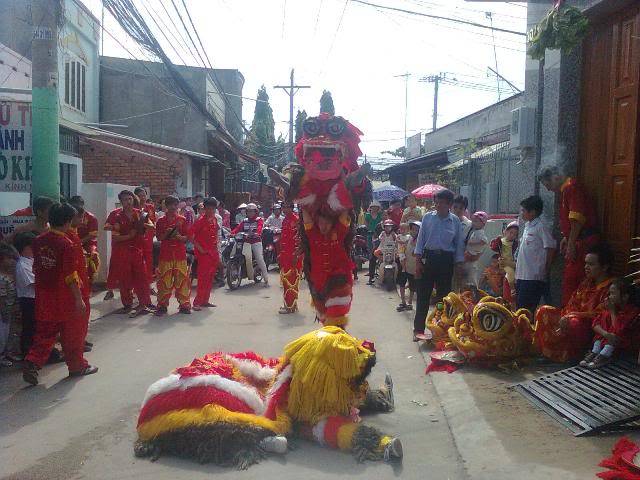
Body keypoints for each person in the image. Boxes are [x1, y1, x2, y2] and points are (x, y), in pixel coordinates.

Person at [22, 203, 98, 385]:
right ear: (67, 221)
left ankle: (33, 361)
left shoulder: (39, 240)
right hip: (65, 296)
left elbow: (38, 267)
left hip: (44, 294)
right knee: (73, 333)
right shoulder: (67, 243)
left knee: (45, 332)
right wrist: (79, 299)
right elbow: (71, 275)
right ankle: (77, 366)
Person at [535, 244, 614, 363]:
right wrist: (565, 316)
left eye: (591, 264)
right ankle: (548, 353)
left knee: (574, 323)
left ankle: (569, 356)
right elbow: (572, 302)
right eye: (586, 263)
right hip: (571, 317)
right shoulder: (586, 282)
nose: (586, 267)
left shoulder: (610, 288)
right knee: (543, 310)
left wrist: (570, 316)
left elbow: (599, 314)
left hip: (589, 326)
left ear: (605, 267)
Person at [538, 165, 599, 304]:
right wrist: (567, 237)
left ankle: (571, 316)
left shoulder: (571, 188)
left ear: (556, 177)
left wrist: (571, 243)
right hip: (578, 240)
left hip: (583, 243)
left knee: (574, 281)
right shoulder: (566, 190)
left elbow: (577, 219)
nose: (548, 189)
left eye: (547, 184)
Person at [413, 189, 465, 341]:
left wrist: (458, 266)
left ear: (449, 204)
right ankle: (418, 329)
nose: (437, 205)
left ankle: (441, 329)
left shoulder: (455, 221)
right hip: (429, 260)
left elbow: (459, 245)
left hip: (446, 261)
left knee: (443, 298)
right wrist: (418, 262)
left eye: (441, 203)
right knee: (423, 295)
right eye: (436, 202)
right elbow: (420, 241)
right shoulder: (428, 218)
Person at [104, 190, 154, 317]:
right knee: (124, 279)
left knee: (141, 278)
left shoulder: (140, 213)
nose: (128, 201)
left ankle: (144, 304)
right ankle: (127, 304)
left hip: (137, 250)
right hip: (122, 251)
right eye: (125, 199)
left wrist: (143, 225)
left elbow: (152, 226)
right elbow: (110, 232)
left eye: (130, 199)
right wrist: (117, 229)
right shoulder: (115, 215)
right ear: (121, 201)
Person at [302, 210, 354, 324]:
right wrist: (303, 201)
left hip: (338, 282)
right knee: (323, 317)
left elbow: (344, 213)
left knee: (337, 317)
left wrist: (345, 197)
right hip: (318, 283)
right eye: (321, 223)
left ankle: (338, 338)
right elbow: (306, 217)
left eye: (327, 223)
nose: (323, 226)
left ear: (332, 223)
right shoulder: (312, 234)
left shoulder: (338, 232)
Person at [579, 278, 640, 369]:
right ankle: (596, 351)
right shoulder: (613, 307)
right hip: (608, 338)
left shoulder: (632, 312)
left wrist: (612, 312)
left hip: (623, 345)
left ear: (624, 297)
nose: (609, 297)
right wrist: (606, 334)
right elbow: (595, 324)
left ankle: (605, 355)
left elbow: (618, 330)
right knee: (604, 319)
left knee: (616, 333)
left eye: (612, 294)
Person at [514, 196, 556, 315]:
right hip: (522, 275)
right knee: (520, 308)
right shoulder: (528, 226)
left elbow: (551, 247)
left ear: (532, 212)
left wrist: (546, 269)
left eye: (524, 210)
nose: (521, 213)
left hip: (533, 276)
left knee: (526, 310)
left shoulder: (540, 227)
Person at [155, 196, 191, 315]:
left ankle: (184, 304)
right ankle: (162, 305)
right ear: (166, 205)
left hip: (180, 254)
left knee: (182, 280)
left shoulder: (182, 219)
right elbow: (159, 238)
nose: (173, 207)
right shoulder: (160, 220)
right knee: (164, 281)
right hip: (166, 254)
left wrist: (179, 237)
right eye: (170, 204)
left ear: (178, 205)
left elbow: (187, 237)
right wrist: (167, 233)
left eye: (175, 204)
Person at [68, 207, 93, 351]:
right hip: (75, 281)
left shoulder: (73, 235)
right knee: (78, 314)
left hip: (81, 279)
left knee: (83, 314)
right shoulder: (67, 238)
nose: (82, 221)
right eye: (80, 217)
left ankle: (80, 340)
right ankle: (76, 344)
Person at [191, 197, 220, 311]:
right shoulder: (199, 221)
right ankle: (197, 302)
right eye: (209, 208)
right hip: (204, 254)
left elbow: (216, 233)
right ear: (204, 208)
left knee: (210, 277)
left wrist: (216, 247)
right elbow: (191, 236)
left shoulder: (214, 220)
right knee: (202, 278)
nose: (211, 211)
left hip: (213, 253)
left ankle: (205, 300)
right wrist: (200, 249)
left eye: (213, 209)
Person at [231, 203, 269, 286]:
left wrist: (257, 233)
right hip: (245, 241)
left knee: (259, 258)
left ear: (255, 212)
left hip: (256, 241)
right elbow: (238, 228)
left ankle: (266, 278)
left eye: (252, 211)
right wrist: (232, 233)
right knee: (234, 251)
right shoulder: (244, 221)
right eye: (248, 211)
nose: (250, 213)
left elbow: (259, 227)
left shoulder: (259, 220)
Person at [69, 196, 101, 288]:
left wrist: (78, 243)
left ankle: (90, 280)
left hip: (87, 243)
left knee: (93, 255)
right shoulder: (66, 217)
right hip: (71, 242)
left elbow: (92, 235)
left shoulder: (91, 218)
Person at [278, 201, 302, 314]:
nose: (284, 209)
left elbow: (299, 239)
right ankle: (291, 304)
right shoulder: (285, 220)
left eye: (287, 207)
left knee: (291, 280)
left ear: (292, 208)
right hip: (285, 255)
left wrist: (296, 254)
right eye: (283, 207)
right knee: (286, 281)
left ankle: (289, 306)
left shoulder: (296, 220)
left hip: (293, 255)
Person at [14, 232, 36, 356]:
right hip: (28, 300)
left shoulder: (30, 260)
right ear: (25, 248)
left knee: (34, 325)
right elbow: (34, 283)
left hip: (34, 298)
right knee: (29, 326)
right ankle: (27, 352)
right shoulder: (22, 265)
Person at [134, 187, 157, 287]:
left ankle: (148, 283)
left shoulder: (150, 207)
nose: (142, 197)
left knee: (148, 260)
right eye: (140, 195)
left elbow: (153, 221)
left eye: (144, 195)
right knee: (137, 260)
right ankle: (137, 284)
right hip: (136, 237)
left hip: (148, 237)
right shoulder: (133, 209)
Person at [459, 211, 488, 289]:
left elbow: (484, 241)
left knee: (472, 278)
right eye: (473, 221)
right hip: (467, 255)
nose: (474, 223)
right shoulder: (473, 231)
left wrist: (474, 243)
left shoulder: (480, 232)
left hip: (473, 255)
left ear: (483, 223)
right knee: (464, 279)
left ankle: (474, 292)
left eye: (476, 221)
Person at [490, 221, 519, 300]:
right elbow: (493, 247)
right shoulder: (502, 241)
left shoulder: (516, 244)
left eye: (515, 234)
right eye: (510, 232)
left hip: (512, 269)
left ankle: (512, 290)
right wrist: (498, 239)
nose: (512, 235)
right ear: (505, 231)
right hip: (503, 268)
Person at [0, 243, 18, 367]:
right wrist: (4, 312)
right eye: (9, 258)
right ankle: (1, 356)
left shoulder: (10, 275)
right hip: (4, 312)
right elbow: (2, 298)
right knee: (3, 335)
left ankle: (8, 353)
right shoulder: (1, 278)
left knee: (10, 333)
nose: (12, 261)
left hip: (11, 310)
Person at [397, 221, 419, 312]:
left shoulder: (420, 241)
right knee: (402, 284)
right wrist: (402, 258)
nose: (414, 231)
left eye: (416, 230)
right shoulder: (408, 239)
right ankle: (403, 302)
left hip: (413, 268)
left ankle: (409, 302)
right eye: (412, 229)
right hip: (404, 266)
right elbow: (402, 248)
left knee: (412, 286)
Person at [372, 219, 397, 286]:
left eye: (389, 226)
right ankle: (382, 259)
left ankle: (396, 279)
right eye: (386, 226)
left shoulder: (393, 233)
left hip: (392, 249)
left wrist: (396, 238)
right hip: (383, 248)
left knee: (398, 257)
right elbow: (379, 237)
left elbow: (397, 239)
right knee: (375, 252)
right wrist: (380, 238)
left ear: (392, 227)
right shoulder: (383, 233)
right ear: (384, 227)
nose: (388, 228)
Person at [365, 201, 384, 282]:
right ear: (370, 207)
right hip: (371, 235)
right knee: (371, 253)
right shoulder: (367, 215)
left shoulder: (381, 216)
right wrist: (370, 230)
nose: (374, 208)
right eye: (373, 206)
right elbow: (366, 224)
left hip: (382, 236)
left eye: (376, 206)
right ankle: (371, 273)